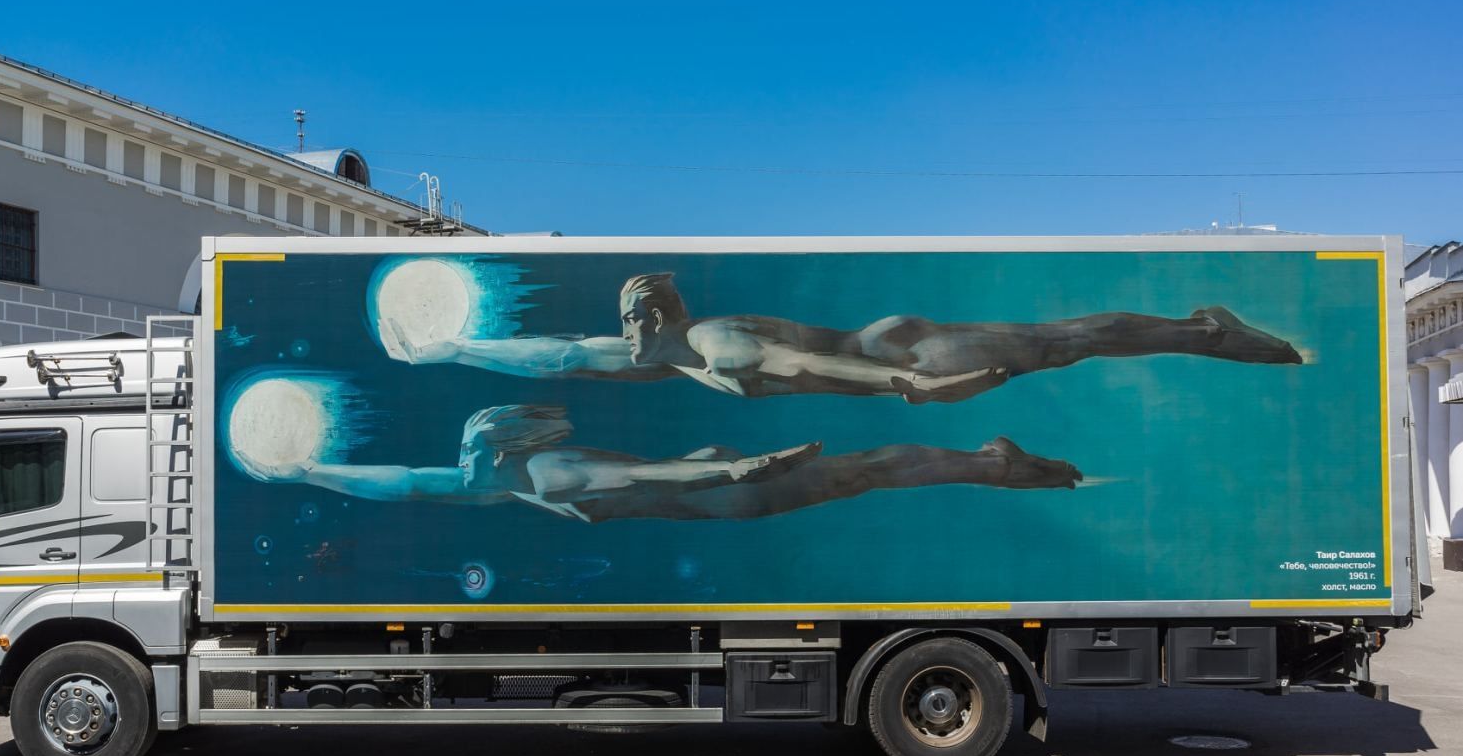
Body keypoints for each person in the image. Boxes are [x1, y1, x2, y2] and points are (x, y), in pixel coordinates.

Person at [382, 272, 1302, 404]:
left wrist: (910, 391)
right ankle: (1195, 330)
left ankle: (1202, 331)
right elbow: (552, 352)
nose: (617, 336)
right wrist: (453, 350)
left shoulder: (714, 348)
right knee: (1062, 339)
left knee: (1067, 339)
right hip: (882, 351)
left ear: (659, 315)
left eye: (631, 319)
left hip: (904, 356)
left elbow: (803, 363)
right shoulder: (651, 353)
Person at [255, 404, 1082, 523]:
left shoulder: (504, 481)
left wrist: (306, 471)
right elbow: (652, 479)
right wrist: (733, 469)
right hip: (730, 490)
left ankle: (998, 464)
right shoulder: (540, 478)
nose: (460, 457)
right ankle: (999, 466)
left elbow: (396, 480)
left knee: (873, 464)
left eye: (475, 444)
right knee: (871, 465)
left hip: (717, 483)